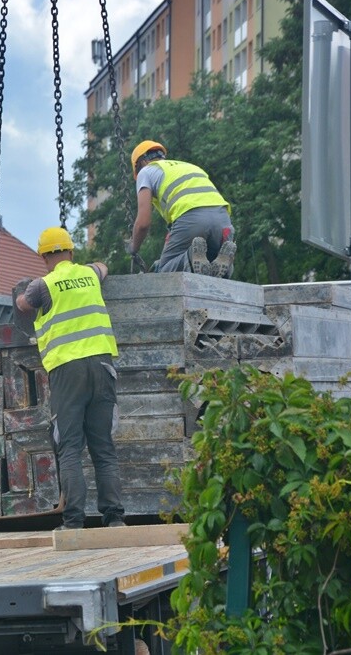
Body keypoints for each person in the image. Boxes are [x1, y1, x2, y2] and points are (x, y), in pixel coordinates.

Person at [15, 227, 126, 529]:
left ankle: (74, 520)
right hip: (102, 366)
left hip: (68, 371)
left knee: (70, 447)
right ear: (71, 252)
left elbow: (23, 305)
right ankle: (114, 518)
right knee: (103, 446)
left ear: (44, 257)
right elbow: (104, 267)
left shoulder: (43, 286)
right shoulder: (91, 274)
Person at [127, 140, 236, 278]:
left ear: (141, 163)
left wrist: (133, 247)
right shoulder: (189, 166)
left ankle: (189, 258)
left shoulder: (146, 172)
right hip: (223, 220)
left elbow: (143, 223)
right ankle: (226, 264)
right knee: (213, 265)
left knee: (165, 271)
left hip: (192, 218)